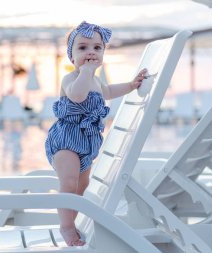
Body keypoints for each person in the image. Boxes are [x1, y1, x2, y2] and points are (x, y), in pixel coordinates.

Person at [45, 21, 147, 246]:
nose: (90, 52)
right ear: (71, 57)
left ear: (103, 52)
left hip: (87, 142)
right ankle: (66, 226)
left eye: (97, 48)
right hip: (66, 140)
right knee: (69, 182)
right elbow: (78, 96)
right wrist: (86, 71)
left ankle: (76, 218)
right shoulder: (71, 79)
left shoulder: (98, 81)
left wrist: (131, 85)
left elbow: (109, 92)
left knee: (83, 184)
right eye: (82, 48)